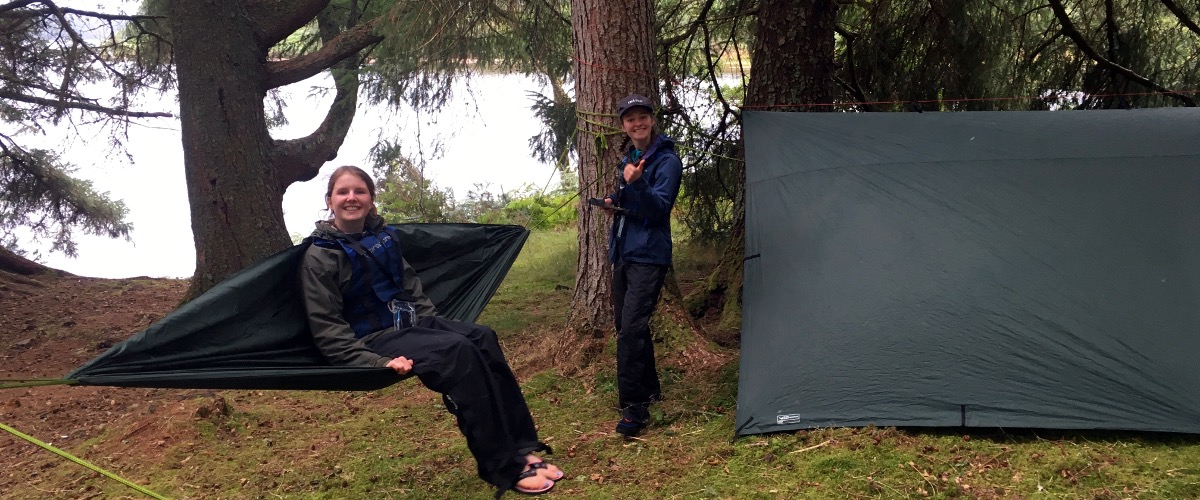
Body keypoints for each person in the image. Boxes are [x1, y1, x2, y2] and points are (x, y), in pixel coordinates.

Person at [299, 165, 564, 497]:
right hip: (374, 339)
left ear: (371, 199)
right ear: (330, 201)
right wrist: (373, 362)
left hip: (410, 324)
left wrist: (432, 323)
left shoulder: (383, 237)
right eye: (343, 192)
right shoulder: (320, 256)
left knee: (482, 337)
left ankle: (522, 445)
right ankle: (502, 466)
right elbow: (326, 328)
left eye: (359, 191)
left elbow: (409, 285)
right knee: (458, 353)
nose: (351, 197)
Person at [600, 94, 684, 437]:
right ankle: (649, 388)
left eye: (643, 117)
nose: (638, 123)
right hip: (624, 252)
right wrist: (613, 200)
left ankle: (634, 408)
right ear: (624, 125)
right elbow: (629, 199)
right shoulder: (632, 158)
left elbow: (659, 208)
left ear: (652, 120)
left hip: (649, 255)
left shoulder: (667, 161)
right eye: (631, 119)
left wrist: (638, 182)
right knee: (627, 324)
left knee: (631, 330)